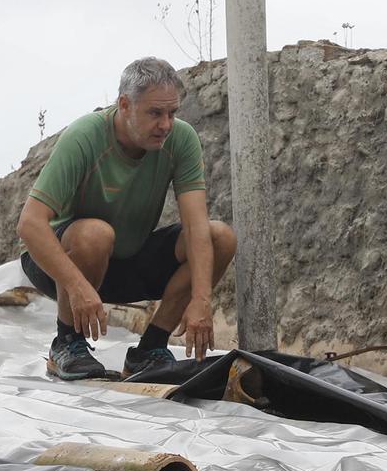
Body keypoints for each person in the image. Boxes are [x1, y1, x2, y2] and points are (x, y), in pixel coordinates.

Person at [17, 56, 237, 381]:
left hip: (129, 260)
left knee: (221, 237)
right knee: (95, 235)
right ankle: (66, 343)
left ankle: (150, 349)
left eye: (172, 113)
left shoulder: (180, 139)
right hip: (63, 263)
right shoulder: (86, 136)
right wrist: (77, 286)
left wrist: (202, 300)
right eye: (154, 113)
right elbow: (30, 224)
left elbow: (196, 227)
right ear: (124, 105)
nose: (165, 124)